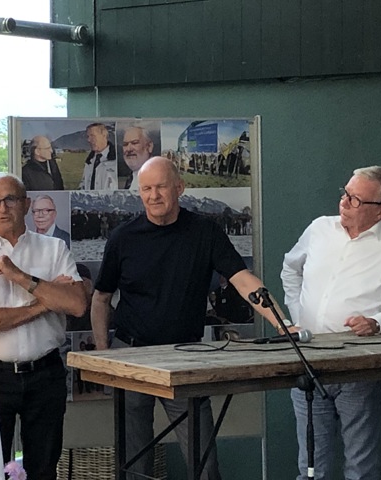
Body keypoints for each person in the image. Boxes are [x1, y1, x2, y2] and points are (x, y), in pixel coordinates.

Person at [90, 157, 288, 480]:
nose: (153, 195)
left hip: (185, 356)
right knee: (134, 461)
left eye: (161, 187)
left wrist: (281, 323)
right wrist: (103, 354)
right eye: (146, 189)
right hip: (130, 356)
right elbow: (100, 299)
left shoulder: (206, 232)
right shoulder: (122, 238)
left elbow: (242, 280)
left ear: (179, 187)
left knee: (203, 460)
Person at [281, 165, 381, 480]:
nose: (344, 202)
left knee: (360, 467)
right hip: (309, 360)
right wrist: (297, 316)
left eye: (356, 199)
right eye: (345, 193)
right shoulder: (319, 228)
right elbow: (290, 269)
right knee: (311, 468)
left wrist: (376, 322)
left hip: (359, 366)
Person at [0, 175, 87, 480]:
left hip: (45, 375)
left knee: (43, 468)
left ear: (26, 205)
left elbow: (77, 304)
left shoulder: (54, 249)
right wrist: (45, 301)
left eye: (11, 199)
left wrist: (20, 277)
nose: (3, 208)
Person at [79, 123, 118, 190]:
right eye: (88, 136)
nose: (89, 140)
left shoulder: (117, 159)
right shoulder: (89, 161)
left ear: (104, 136)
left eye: (92, 136)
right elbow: (83, 183)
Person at [121, 125, 155, 190]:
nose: (129, 149)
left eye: (135, 143)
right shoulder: (131, 177)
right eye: (125, 144)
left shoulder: (157, 175)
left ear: (149, 146)